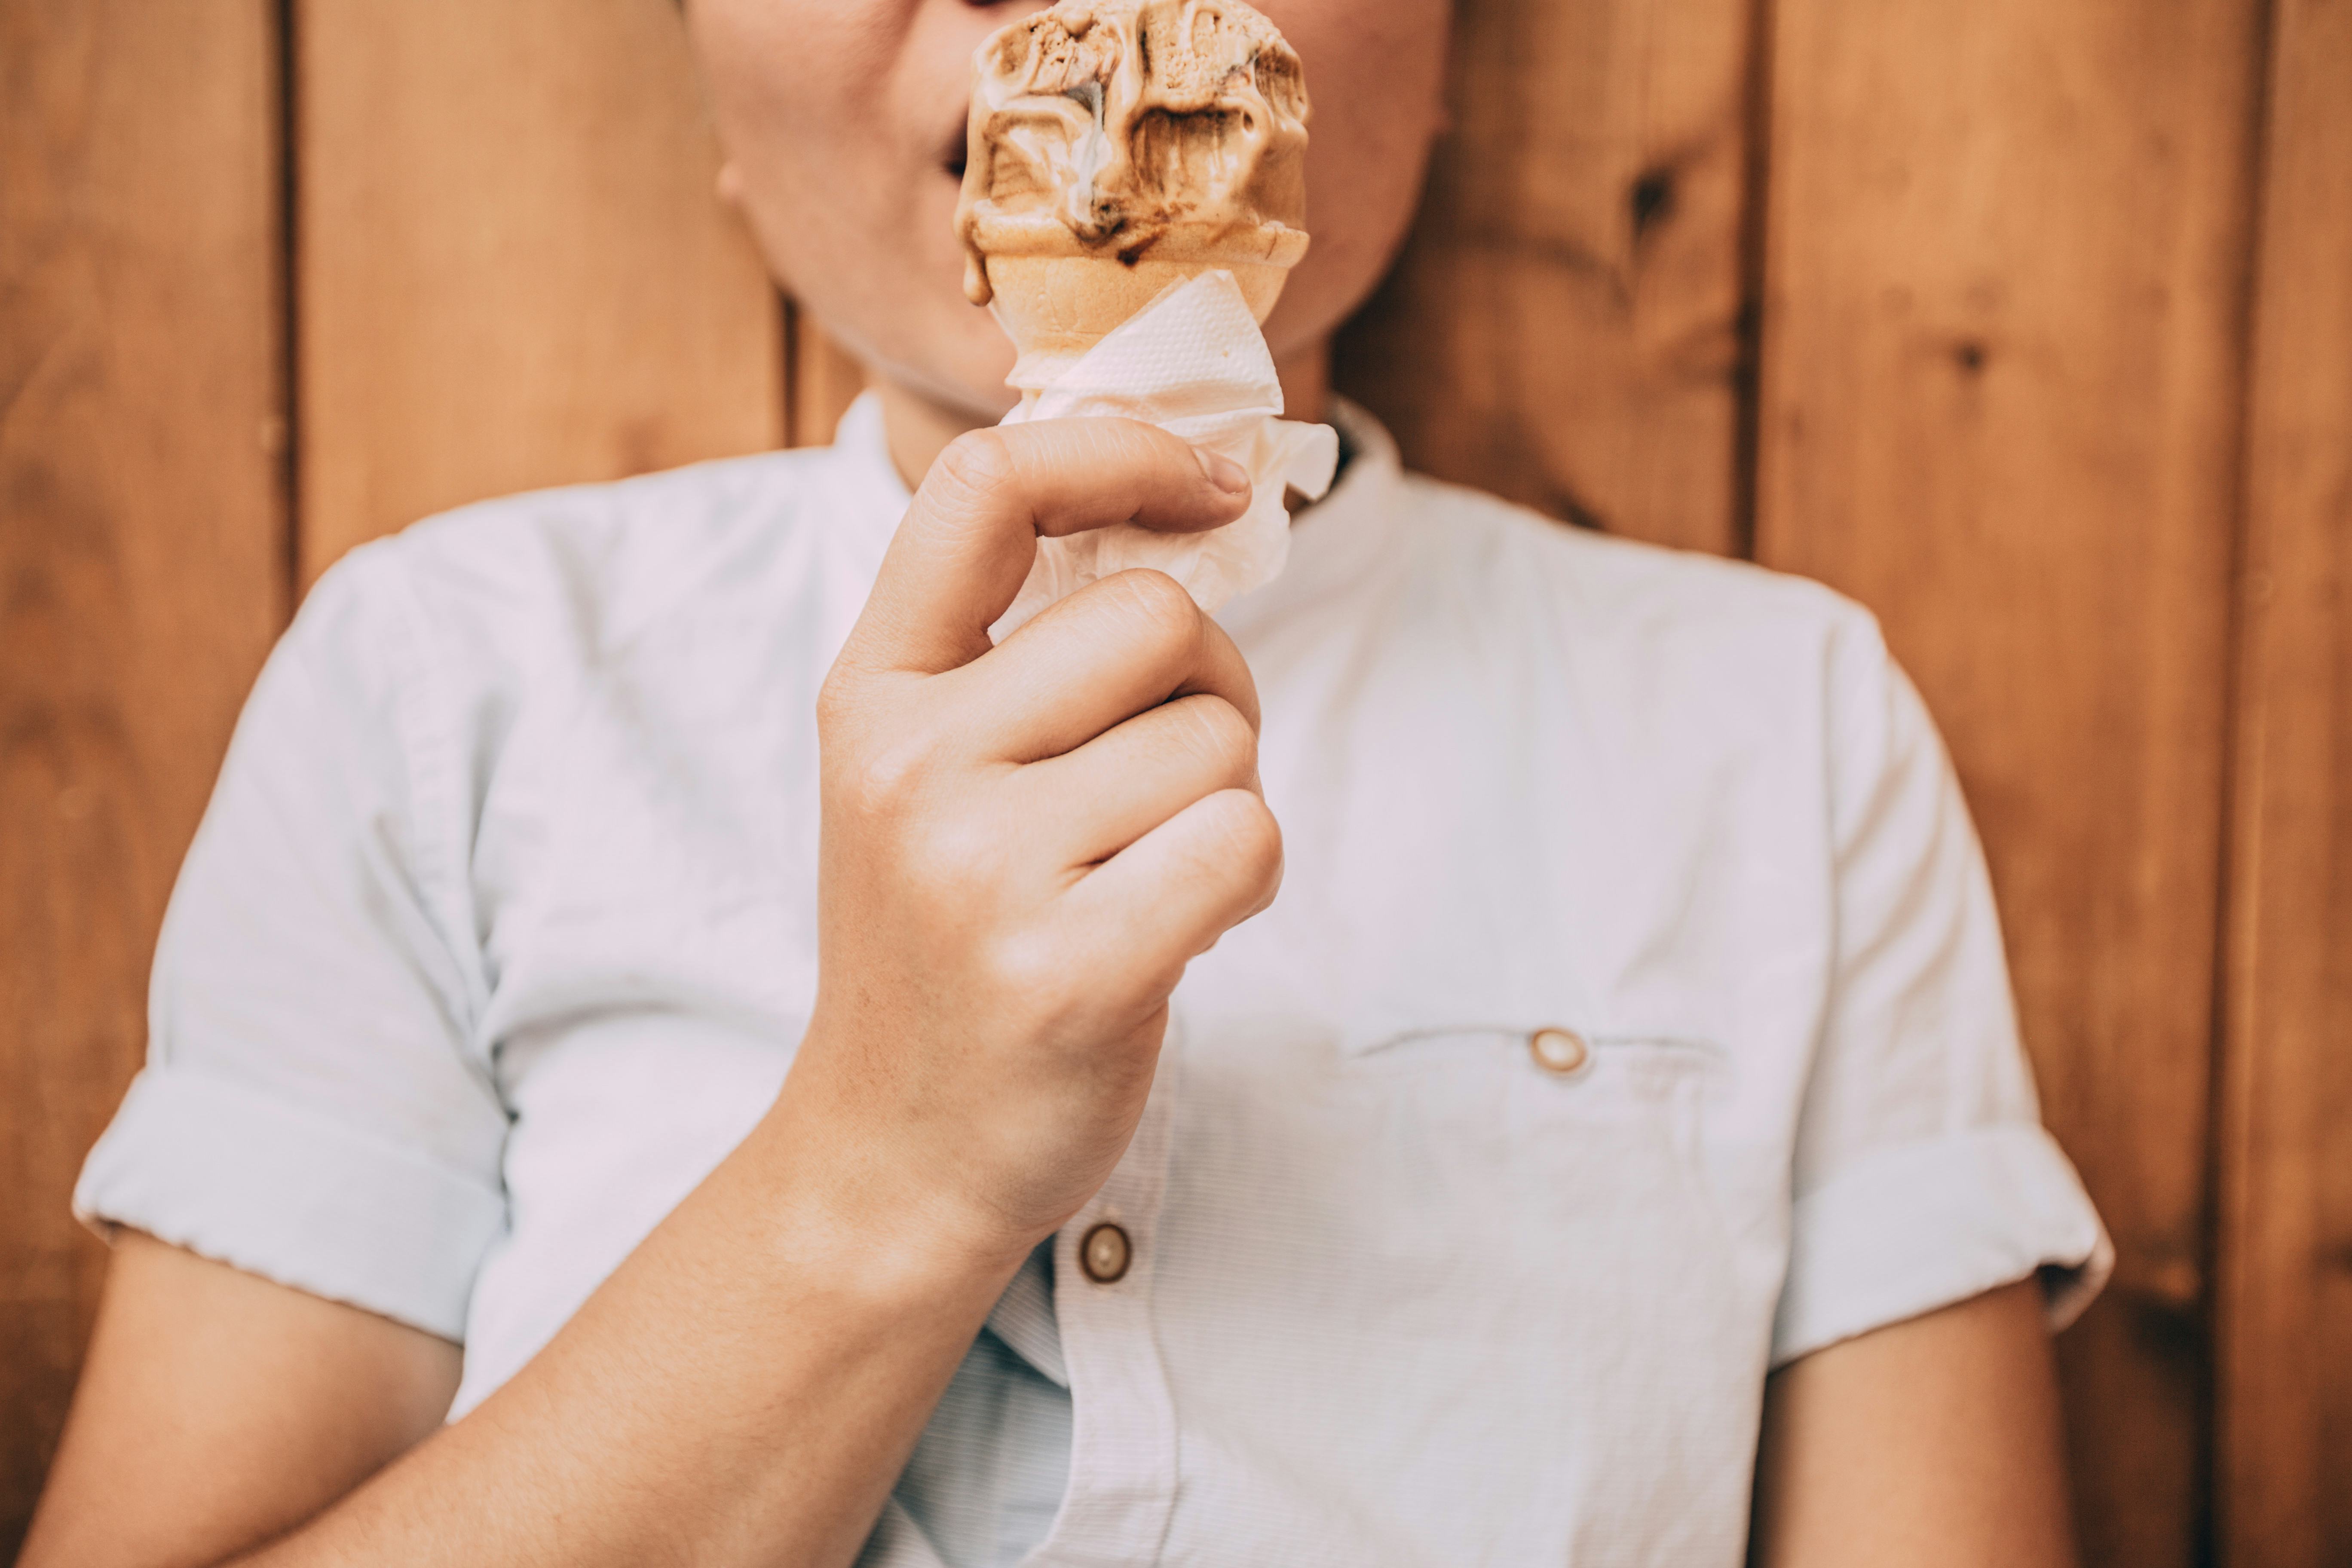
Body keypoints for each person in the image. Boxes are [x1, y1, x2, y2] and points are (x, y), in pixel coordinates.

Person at [22, 0, 2111, 1564]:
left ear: (1443, 69)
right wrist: (887, 1165)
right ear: (718, 129)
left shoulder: (1784, 728)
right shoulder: (439, 682)